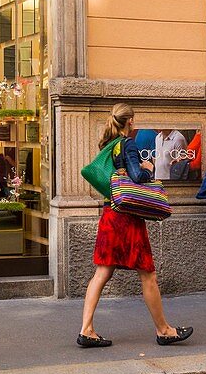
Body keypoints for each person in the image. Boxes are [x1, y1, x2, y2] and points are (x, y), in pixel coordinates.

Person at [77, 104, 192, 349]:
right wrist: (147, 169)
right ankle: (164, 330)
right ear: (129, 121)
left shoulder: (109, 144)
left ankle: (86, 329)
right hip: (126, 218)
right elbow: (136, 176)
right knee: (148, 274)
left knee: (101, 272)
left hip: (110, 213)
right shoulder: (127, 143)